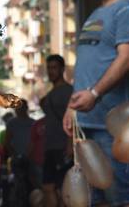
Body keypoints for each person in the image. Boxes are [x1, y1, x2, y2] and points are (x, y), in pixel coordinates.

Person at [62, 0, 129, 207]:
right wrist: (71, 107)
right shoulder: (96, 13)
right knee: (94, 199)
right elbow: (87, 64)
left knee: (126, 195)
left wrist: (95, 94)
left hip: (114, 124)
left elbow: (128, 58)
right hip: (86, 122)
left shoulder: (127, 9)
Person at [40, 55, 73, 207]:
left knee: (63, 191)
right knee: (48, 187)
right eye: (49, 68)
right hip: (49, 146)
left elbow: (73, 120)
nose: (51, 71)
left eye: (54, 67)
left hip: (62, 147)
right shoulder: (52, 93)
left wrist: (70, 145)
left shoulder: (68, 91)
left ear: (62, 69)